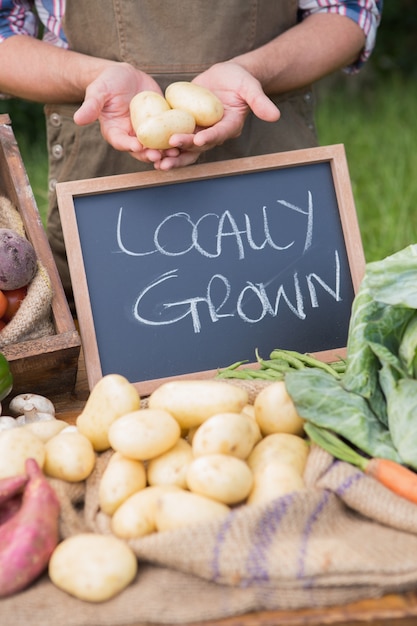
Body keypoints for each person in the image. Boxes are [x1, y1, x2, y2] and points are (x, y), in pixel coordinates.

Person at [0, 1, 382, 308]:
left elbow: (346, 12)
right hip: (101, 182)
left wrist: (254, 71)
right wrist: (90, 78)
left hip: (268, 178)